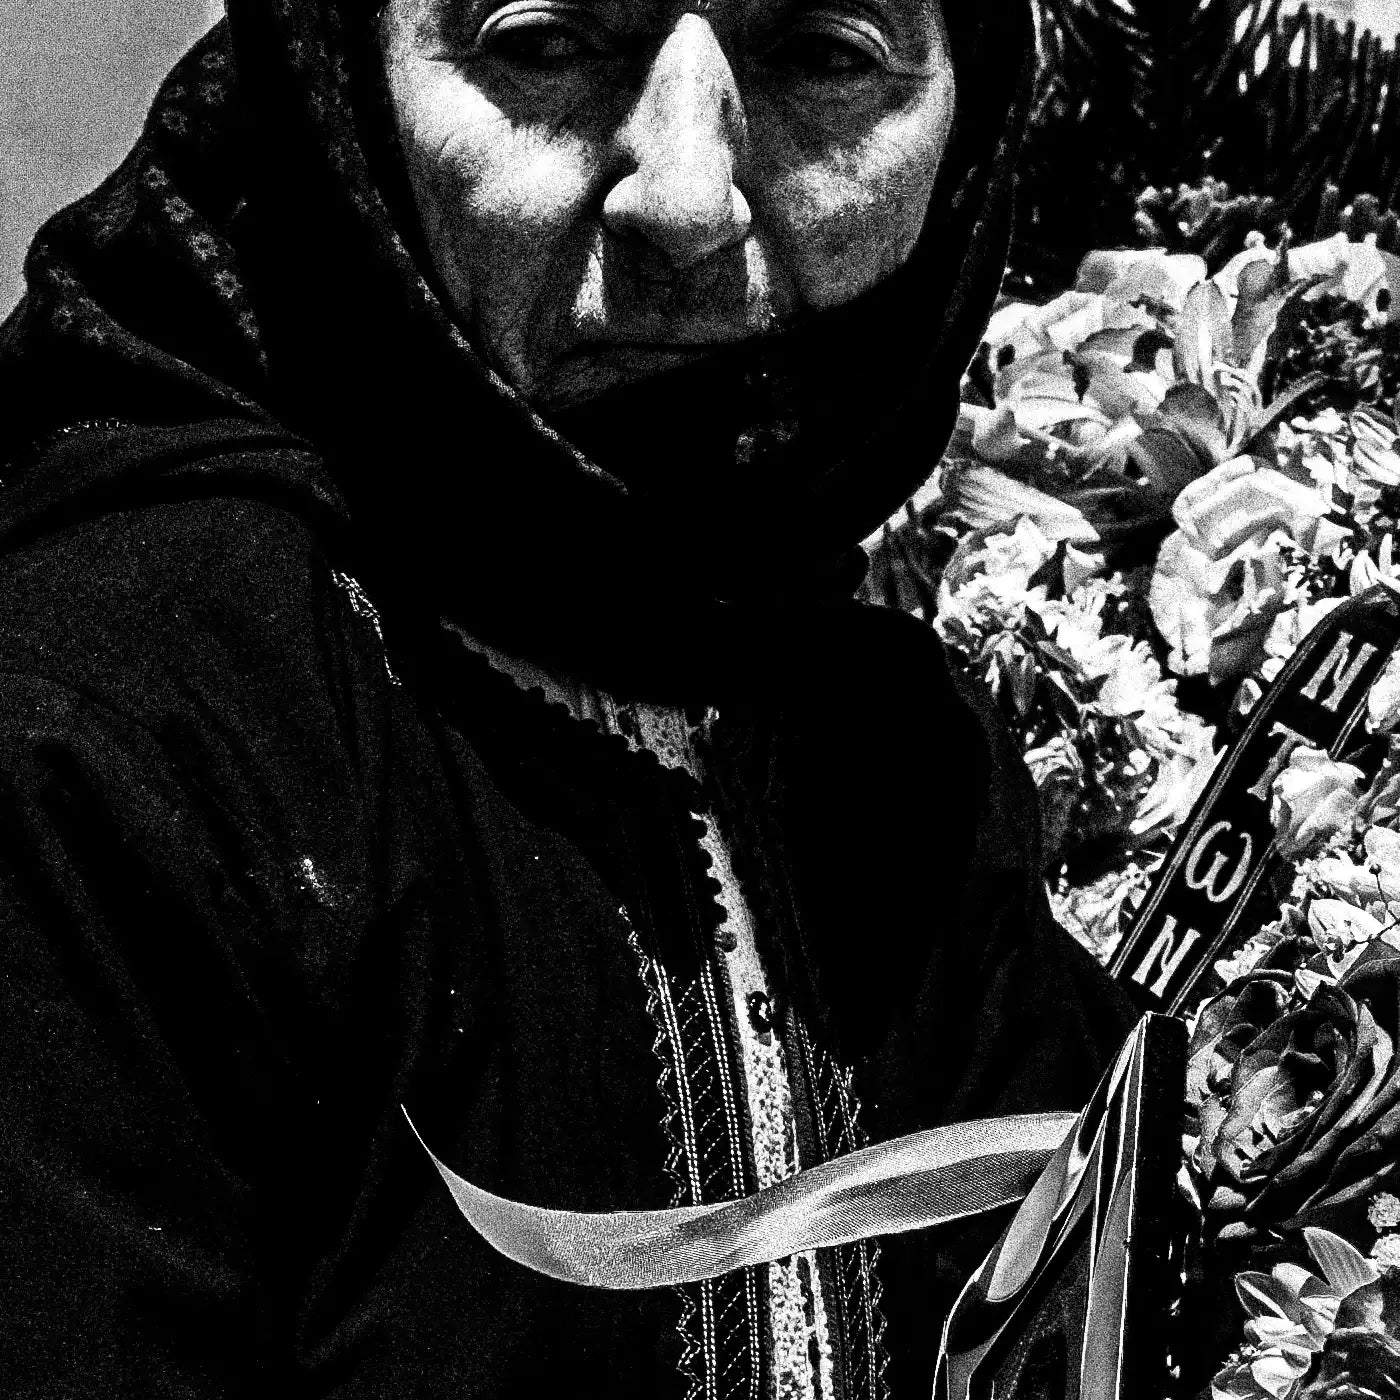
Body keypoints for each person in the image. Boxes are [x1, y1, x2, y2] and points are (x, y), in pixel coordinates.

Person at [0, 0, 1135, 1394]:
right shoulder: (102, 740)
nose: (687, 198)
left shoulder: (902, 756)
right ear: (338, 89)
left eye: (824, 58)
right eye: (544, 45)